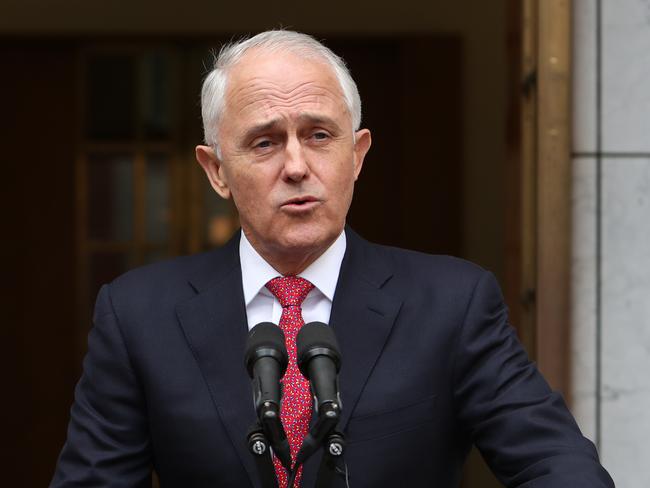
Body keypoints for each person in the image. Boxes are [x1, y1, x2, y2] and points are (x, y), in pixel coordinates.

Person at [51, 30, 614, 487]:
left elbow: (558, 467)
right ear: (216, 170)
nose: (296, 166)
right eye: (265, 142)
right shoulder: (138, 315)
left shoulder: (452, 303)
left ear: (357, 155)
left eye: (319, 135)